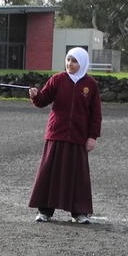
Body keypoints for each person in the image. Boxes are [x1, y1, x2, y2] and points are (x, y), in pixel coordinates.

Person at [29, 46, 102, 224]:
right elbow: (43, 100)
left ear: (82, 63)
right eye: (68, 59)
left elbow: (95, 114)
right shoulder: (57, 79)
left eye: (74, 61)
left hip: (78, 137)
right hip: (56, 134)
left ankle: (79, 212)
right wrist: (35, 95)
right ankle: (44, 211)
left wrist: (92, 137)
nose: (70, 63)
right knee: (49, 172)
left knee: (78, 176)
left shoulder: (90, 84)